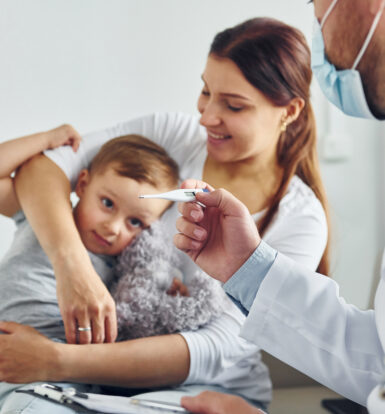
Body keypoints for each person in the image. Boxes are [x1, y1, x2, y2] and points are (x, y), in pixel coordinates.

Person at [0, 17, 329, 413]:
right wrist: (74, 269)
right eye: (206, 91)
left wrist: (53, 360)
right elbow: (43, 170)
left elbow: (219, 345)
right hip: (96, 375)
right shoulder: (172, 135)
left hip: (203, 388)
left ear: (289, 111)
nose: (206, 116)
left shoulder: (300, 221)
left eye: (234, 105)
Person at [172, 0, 385, 412]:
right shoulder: (176, 139)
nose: (317, 28)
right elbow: (375, 364)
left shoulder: (301, 215)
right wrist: (248, 268)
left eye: (320, 8)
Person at [0, 125, 179, 412]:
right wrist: (45, 140)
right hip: (12, 360)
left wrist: (169, 291)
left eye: (135, 222)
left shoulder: (125, 267)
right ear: (82, 184)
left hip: (68, 378)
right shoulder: (42, 215)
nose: (113, 227)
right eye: (107, 203)